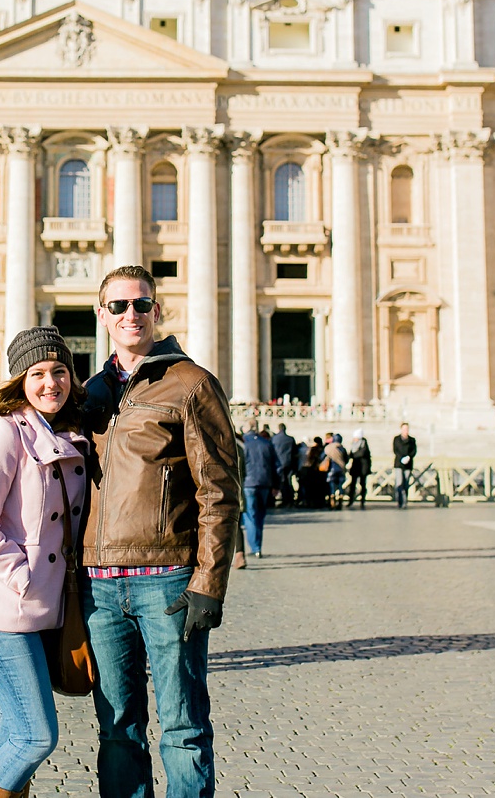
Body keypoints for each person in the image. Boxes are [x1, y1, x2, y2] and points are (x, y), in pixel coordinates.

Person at [82, 265, 239, 798]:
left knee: (183, 725)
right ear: (102, 315)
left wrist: (208, 583)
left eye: (142, 305)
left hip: (168, 582)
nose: (132, 315)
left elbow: (219, 491)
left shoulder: (191, 383)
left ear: (156, 311)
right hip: (99, 587)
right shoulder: (89, 394)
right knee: (117, 730)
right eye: (120, 306)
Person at [0, 327, 90, 798]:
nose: (51, 382)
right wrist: (23, 578)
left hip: (37, 612)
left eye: (59, 371)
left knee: (12, 733)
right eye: (38, 374)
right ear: (19, 380)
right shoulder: (4, 431)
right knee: (35, 735)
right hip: (1, 611)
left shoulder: (65, 431)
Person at [241, 425, 277, 559]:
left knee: (250, 515)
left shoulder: (244, 443)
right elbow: (275, 465)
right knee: (261, 515)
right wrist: (276, 485)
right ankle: (258, 547)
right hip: (265, 482)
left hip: (248, 483)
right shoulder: (267, 443)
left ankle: (254, 546)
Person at [270, 422, 297, 508]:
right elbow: (294, 452)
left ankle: (283, 499)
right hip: (288, 463)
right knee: (288, 482)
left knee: (280, 482)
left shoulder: (274, 439)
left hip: (278, 463)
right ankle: (290, 499)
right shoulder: (290, 439)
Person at [393, 423, 419, 508]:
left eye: (407, 429)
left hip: (408, 464)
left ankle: (405, 501)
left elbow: (414, 451)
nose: (405, 431)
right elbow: (395, 450)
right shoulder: (396, 439)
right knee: (399, 482)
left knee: (406, 483)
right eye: (404, 429)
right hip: (399, 463)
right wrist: (401, 458)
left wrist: (409, 457)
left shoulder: (412, 440)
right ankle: (400, 500)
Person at [346, 429, 371, 510]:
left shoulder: (364, 444)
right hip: (355, 467)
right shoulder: (354, 444)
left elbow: (361, 453)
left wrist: (353, 455)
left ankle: (362, 501)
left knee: (362, 484)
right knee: (352, 484)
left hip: (363, 468)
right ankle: (351, 500)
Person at [298, 436, 325, 510]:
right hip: (320, 471)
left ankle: (309, 502)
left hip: (311, 471)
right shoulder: (323, 449)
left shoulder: (312, 450)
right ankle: (319, 502)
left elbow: (310, 460)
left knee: (310, 488)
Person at [326, 433, 349, 510]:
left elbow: (323, 456)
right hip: (341, 469)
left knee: (332, 485)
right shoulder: (342, 448)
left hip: (332, 469)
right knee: (340, 485)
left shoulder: (329, 448)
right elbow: (347, 459)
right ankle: (340, 499)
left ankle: (332, 500)